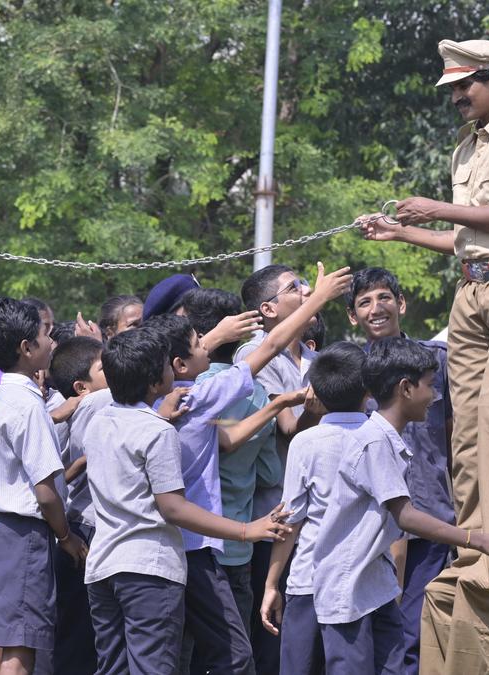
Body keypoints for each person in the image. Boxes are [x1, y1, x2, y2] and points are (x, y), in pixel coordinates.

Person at [360, 39, 489, 672]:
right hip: (474, 288)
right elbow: (464, 238)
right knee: (466, 429)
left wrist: (433, 206)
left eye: (464, 88)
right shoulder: (469, 146)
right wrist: (401, 230)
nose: (456, 99)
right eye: (451, 90)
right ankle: (475, 543)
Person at [151, 261, 352, 675]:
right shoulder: (202, 393)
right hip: (215, 543)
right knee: (233, 655)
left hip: (176, 552)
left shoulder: (149, 402)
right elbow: (270, 347)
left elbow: (223, 439)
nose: (203, 346)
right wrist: (320, 296)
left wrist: (277, 404)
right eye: (196, 342)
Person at [82, 325, 293, 675]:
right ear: (154, 382)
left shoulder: (100, 420)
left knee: (114, 668)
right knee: (155, 667)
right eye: (167, 365)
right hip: (148, 569)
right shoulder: (158, 432)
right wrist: (246, 530)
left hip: (103, 568)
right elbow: (173, 508)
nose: (174, 370)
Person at [312, 338, 489, 673]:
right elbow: (407, 517)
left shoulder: (389, 439)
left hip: (375, 585)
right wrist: (479, 540)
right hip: (348, 588)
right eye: (430, 385)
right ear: (406, 389)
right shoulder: (374, 441)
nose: (436, 396)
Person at [344, 267, 453, 673]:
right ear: (353, 316)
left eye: (384, 298)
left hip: (428, 513)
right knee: (366, 631)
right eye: (364, 302)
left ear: (401, 303)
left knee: (415, 633)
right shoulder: (347, 366)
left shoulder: (436, 360)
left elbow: (456, 432)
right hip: (367, 523)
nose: (377, 308)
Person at [179, 287, 298, 652]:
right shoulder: (254, 392)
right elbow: (269, 475)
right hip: (237, 549)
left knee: (183, 654)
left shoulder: (182, 390)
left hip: (187, 547)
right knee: (232, 652)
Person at [0, 297, 88, 675]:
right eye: (45, 335)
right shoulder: (27, 404)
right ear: (26, 348)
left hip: (2, 534)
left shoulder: (5, 395)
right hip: (24, 536)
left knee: (2, 650)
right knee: (21, 653)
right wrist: (65, 536)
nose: (52, 342)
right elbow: (44, 490)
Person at [234, 263, 325, 672]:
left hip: (319, 511)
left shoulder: (313, 356)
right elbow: (288, 427)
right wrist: (318, 403)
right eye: (296, 287)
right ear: (268, 310)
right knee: (274, 629)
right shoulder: (253, 354)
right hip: (276, 512)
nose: (306, 292)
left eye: (307, 285)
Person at [258, 341, 369, 675]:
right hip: (362, 583)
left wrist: (271, 585)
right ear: (368, 389)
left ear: (315, 392)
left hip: (309, 579)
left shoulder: (306, 442)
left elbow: (288, 521)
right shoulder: (382, 436)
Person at [45, 336, 112, 675]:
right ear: (80, 386)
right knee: (82, 635)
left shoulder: (82, 401)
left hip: (81, 521)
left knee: (81, 633)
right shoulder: (98, 401)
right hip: (87, 526)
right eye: (105, 366)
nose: (113, 368)